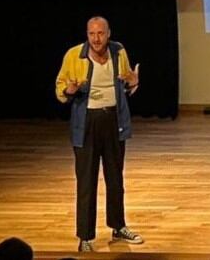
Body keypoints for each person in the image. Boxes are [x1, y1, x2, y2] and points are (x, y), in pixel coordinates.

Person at [55, 16, 143, 252]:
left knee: (115, 178)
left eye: (100, 33)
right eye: (92, 34)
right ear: (87, 34)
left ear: (108, 33)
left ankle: (118, 226)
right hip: (87, 123)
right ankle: (85, 237)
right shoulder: (74, 55)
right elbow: (60, 88)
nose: (96, 38)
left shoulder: (118, 51)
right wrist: (68, 89)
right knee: (86, 182)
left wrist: (134, 82)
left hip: (114, 120)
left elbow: (125, 82)